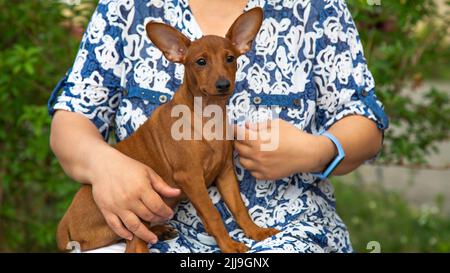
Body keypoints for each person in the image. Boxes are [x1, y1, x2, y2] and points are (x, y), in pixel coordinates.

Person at [48, 0, 389, 253]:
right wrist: (103, 163)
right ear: (175, 54)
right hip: (135, 229)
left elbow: (365, 120)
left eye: (229, 60)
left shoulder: (317, 8)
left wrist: (316, 151)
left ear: (243, 46)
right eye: (202, 64)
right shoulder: (126, 7)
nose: (222, 77)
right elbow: (73, 116)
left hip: (290, 233)